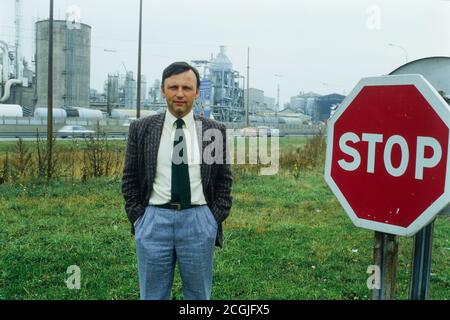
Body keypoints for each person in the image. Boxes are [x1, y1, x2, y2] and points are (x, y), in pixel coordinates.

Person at [122, 62, 233, 300]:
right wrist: (139, 218)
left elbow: (224, 180)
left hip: (198, 221)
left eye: (186, 87)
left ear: (197, 92)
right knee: (152, 295)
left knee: (198, 296)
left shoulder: (213, 131)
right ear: (163, 90)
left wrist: (212, 219)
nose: (180, 93)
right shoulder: (142, 129)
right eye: (173, 87)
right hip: (153, 221)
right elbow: (130, 177)